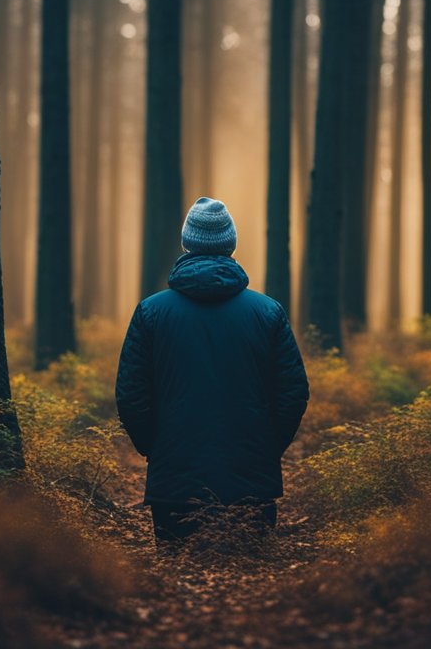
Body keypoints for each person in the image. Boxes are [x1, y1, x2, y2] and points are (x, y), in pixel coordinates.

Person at [115, 197, 309, 545]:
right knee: (255, 591)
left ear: (186, 243)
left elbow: (131, 394)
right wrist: (267, 447)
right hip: (252, 486)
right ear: (231, 245)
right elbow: (292, 393)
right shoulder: (268, 312)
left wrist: (153, 446)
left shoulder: (150, 312)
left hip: (173, 488)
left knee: (173, 590)